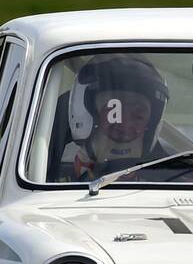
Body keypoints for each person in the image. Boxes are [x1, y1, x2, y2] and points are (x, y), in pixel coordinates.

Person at [58, 54, 170, 182]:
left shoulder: (173, 174)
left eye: (138, 116)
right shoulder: (45, 163)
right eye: (114, 111)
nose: (126, 124)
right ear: (88, 114)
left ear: (150, 121)